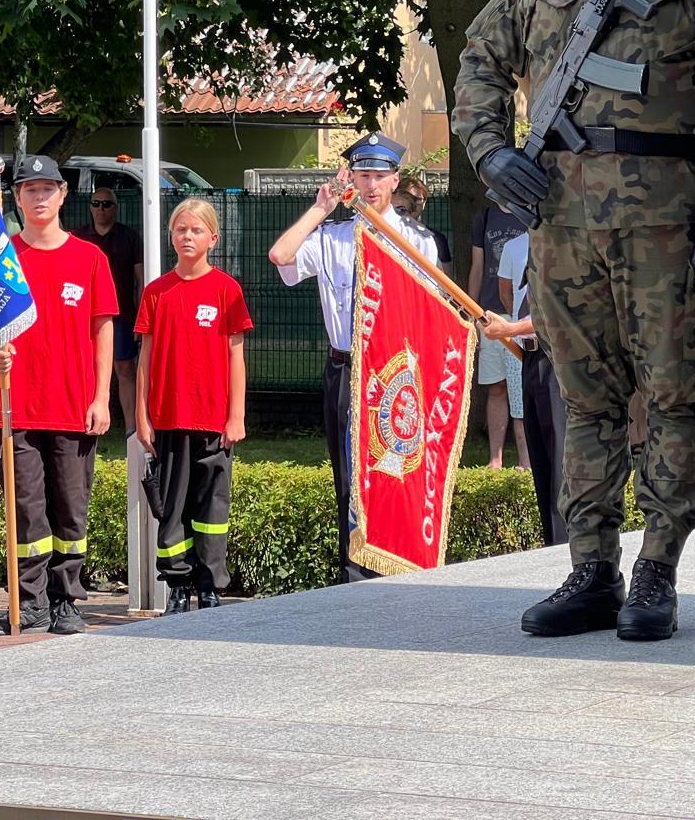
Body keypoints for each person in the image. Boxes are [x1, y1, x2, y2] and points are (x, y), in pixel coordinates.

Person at [452, 0, 695, 641]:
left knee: (674, 394)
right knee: (583, 400)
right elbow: (480, 61)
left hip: (663, 214)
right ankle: (590, 568)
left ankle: (658, 568)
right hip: (562, 213)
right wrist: (490, 151)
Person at [268, 133, 440, 582]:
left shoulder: (419, 242)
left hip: (397, 373)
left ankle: (399, 565)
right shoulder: (332, 238)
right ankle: (354, 573)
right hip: (347, 368)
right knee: (349, 475)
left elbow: (432, 313)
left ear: (394, 180)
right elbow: (281, 256)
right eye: (363, 175)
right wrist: (320, 207)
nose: (370, 185)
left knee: (398, 472)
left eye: (379, 176)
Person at [0, 155, 118, 636]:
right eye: (29, 189)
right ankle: (27, 601)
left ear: (63, 195)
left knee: (70, 508)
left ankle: (66, 601)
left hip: (73, 406)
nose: (39, 197)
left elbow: (103, 331)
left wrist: (102, 398)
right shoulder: (1, 259)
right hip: (17, 406)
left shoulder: (90, 259)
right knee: (24, 508)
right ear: (16, 197)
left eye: (47, 189)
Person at [135, 198, 253, 613]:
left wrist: (235, 415)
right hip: (168, 418)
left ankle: (210, 585)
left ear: (213, 238)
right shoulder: (156, 292)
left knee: (211, 508)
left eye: (196, 230)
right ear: (171, 236)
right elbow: (146, 358)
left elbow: (236, 355)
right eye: (181, 230)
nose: (188, 236)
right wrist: (142, 416)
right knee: (171, 508)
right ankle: (178, 585)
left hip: (214, 420)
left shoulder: (227, 290)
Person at [483, 230, 566, 545]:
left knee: (559, 458)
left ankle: (565, 548)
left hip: (556, 359)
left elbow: (558, 311)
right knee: (541, 460)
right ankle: (551, 545)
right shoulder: (526, 244)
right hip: (531, 358)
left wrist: (511, 328)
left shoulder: (565, 244)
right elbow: (512, 297)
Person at [75, 185, 144, 429]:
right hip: (85, 316)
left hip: (122, 314)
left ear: (115, 208)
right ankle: (83, 420)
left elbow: (141, 280)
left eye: (106, 204)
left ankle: (132, 429)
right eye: (96, 203)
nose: (101, 208)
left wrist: (141, 318)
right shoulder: (78, 238)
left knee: (125, 368)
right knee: (85, 366)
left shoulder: (130, 237)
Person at [467, 204, 528, 470]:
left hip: (520, 317)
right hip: (489, 314)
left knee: (522, 390)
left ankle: (526, 460)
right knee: (496, 386)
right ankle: (495, 458)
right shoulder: (485, 215)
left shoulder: (529, 212)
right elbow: (478, 266)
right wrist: (472, 308)